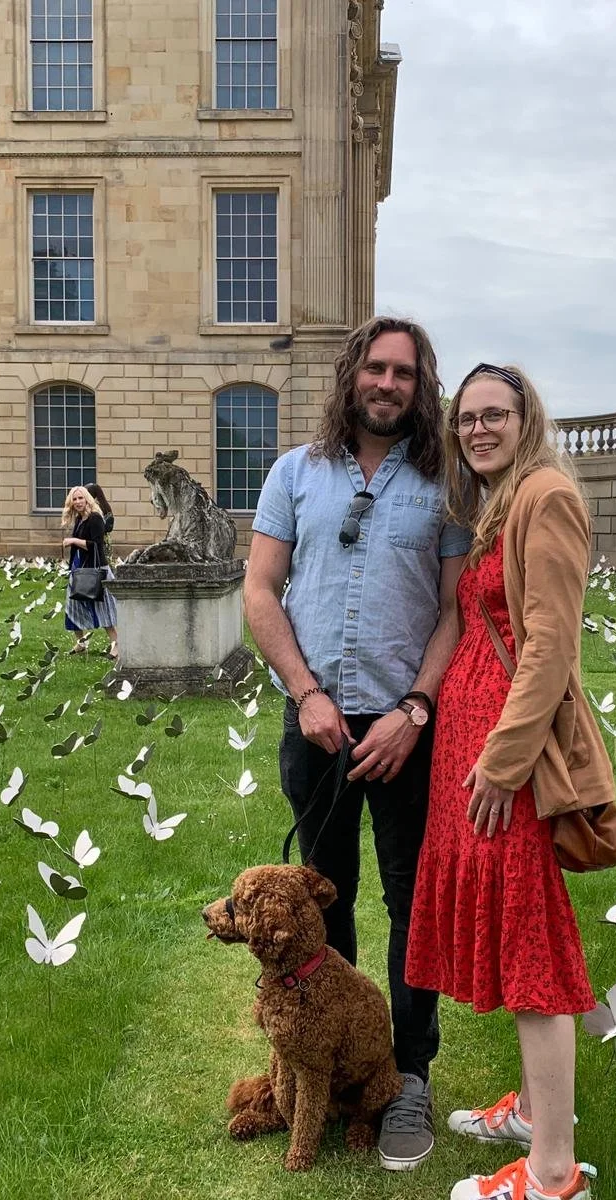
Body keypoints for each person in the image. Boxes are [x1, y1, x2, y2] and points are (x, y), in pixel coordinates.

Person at [245, 315, 471, 1172]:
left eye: (403, 373)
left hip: (407, 730)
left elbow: (452, 609)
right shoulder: (295, 473)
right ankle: (332, 1069)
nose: (387, 383)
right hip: (317, 725)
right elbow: (261, 592)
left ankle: (406, 1075)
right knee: (320, 903)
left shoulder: (442, 480)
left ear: (422, 387)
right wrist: (306, 693)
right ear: (352, 377)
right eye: (374, 368)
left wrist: (415, 711)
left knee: (414, 905)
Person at [405, 363, 611, 1200]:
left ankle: (554, 1173)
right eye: (466, 418)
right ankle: (529, 1113)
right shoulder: (501, 500)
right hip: (473, 749)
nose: (477, 429)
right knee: (510, 929)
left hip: (506, 762)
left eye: (494, 415)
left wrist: (501, 760)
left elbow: (550, 646)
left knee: (534, 949)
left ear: (529, 419)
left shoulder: (547, 495)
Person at [62, 484, 118, 657]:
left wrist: (73, 541)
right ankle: (81, 643)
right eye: (75, 498)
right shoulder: (80, 519)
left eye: (81, 498)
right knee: (73, 607)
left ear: (87, 499)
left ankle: (117, 646)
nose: (78, 501)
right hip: (80, 569)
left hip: (96, 570)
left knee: (103, 610)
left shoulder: (95, 518)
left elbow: (96, 546)